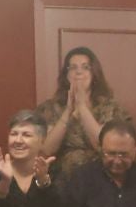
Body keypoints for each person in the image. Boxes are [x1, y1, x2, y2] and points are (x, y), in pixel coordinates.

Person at [36, 45, 122, 179]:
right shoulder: (50, 107)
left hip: (101, 179)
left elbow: (104, 146)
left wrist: (82, 107)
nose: (79, 72)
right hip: (59, 180)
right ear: (66, 74)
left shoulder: (110, 107)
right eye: (73, 68)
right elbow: (46, 150)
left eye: (85, 67)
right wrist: (68, 111)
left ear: (94, 73)